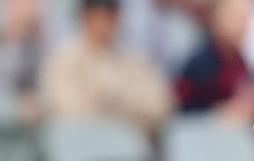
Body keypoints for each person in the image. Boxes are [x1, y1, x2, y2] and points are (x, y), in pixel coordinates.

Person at [39, 0, 172, 139]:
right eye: (98, 16)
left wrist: (110, 104)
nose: (105, 23)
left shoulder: (135, 61)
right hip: (85, 148)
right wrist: (127, 113)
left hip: (136, 147)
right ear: (84, 18)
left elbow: (159, 107)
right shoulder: (64, 61)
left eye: (111, 16)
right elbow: (72, 113)